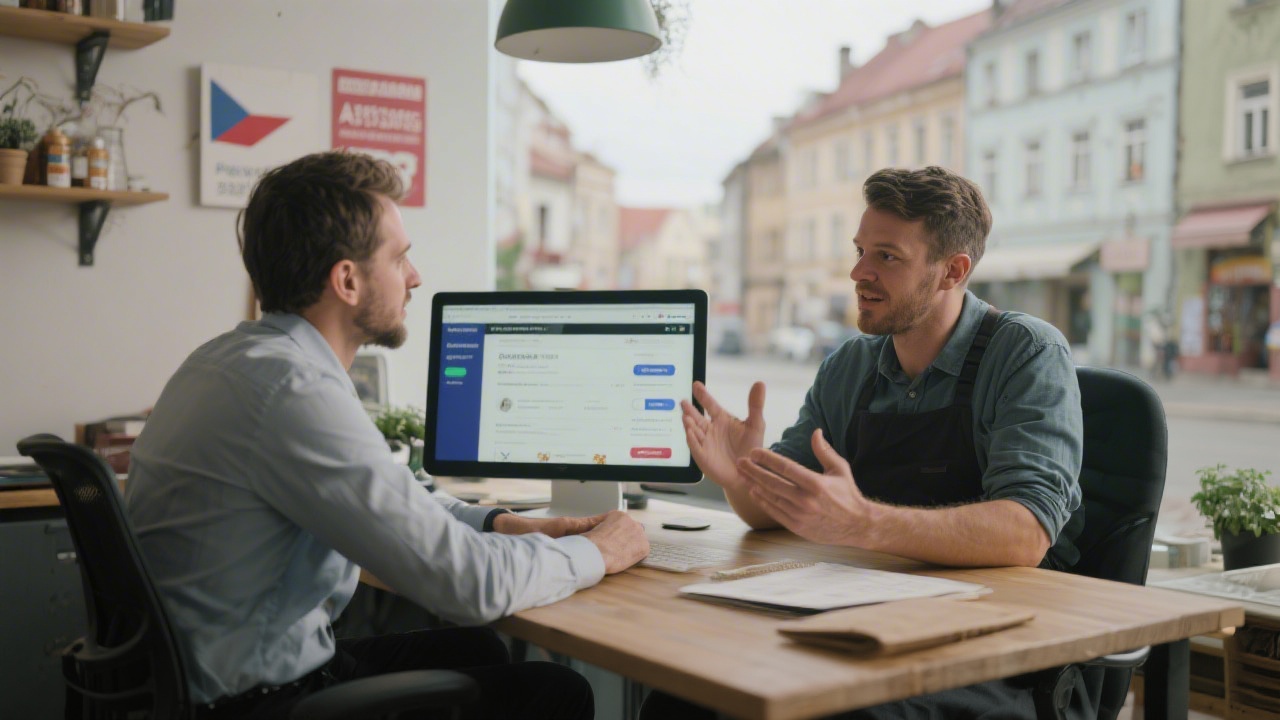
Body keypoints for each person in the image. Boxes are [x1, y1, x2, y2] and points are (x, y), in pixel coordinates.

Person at [124, 151, 649, 720]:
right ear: (347, 281)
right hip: (255, 703)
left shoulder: (235, 359)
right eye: (399, 258)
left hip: (207, 681)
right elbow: (471, 585)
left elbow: (392, 496)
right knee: (555, 691)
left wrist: (498, 523)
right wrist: (598, 551)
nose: (415, 276)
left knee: (474, 649)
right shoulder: (293, 391)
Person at [645, 166, 1089, 719]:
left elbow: (1026, 533)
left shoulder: (1026, 353)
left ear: (953, 271)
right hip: (870, 617)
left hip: (992, 645)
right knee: (686, 697)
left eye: (887, 256)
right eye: (860, 251)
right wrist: (740, 476)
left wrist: (862, 523)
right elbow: (768, 513)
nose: (858, 272)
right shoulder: (850, 365)